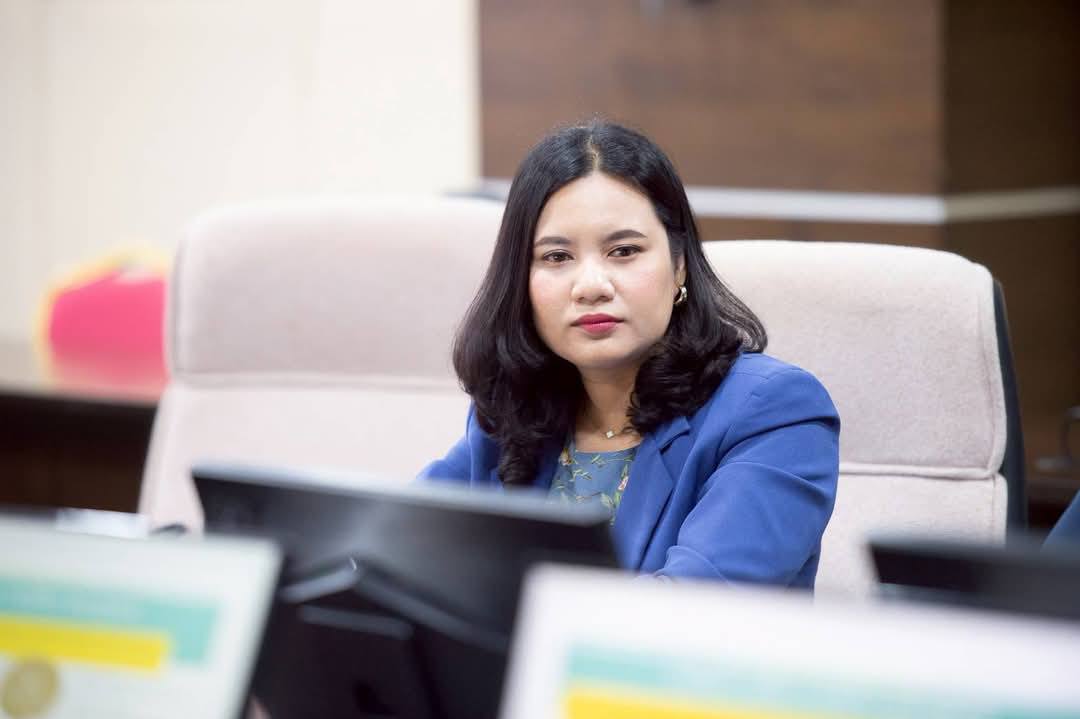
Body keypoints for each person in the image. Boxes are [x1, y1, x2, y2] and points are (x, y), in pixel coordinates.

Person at [421, 121, 839, 588]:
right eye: (557, 257)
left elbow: (694, 606)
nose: (591, 286)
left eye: (623, 251)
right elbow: (396, 549)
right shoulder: (514, 411)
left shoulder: (774, 411)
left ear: (679, 265)